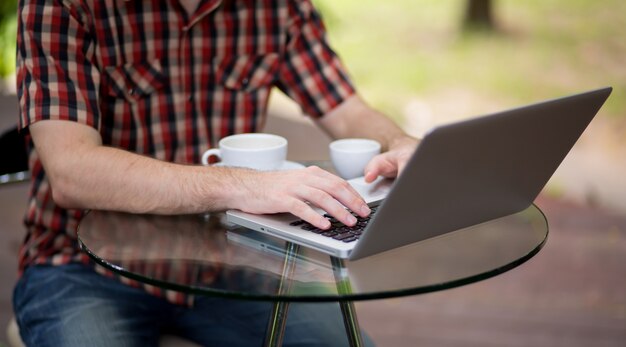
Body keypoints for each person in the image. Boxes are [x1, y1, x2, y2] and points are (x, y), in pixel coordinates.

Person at [13, 0, 418, 345]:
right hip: (82, 269)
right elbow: (72, 172)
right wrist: (243, 186)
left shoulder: (276, 7)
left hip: (233, 263)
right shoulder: (65, 5)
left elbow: (347, 111)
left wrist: (398, 142)